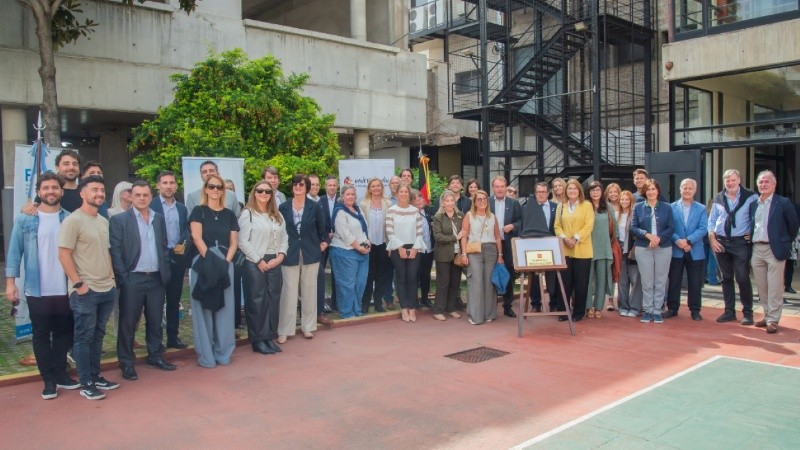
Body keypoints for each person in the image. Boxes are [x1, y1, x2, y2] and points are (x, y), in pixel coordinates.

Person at [6, 173, 79, 399]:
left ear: (62, 191)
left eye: (54, 187)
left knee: (63, 333)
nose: (50, 191)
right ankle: (48, 380)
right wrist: (10, 283)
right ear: (39, 192)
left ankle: (60, 374)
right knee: (41, 334)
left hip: (64, 288)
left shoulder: (70, 219)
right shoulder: (25, 219)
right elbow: (14, 252)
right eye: (46, 188)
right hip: (37, 289)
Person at [57, 175, 119, 400]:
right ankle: (86, 382)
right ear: (82, 194)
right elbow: (64, 254)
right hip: (85, 291)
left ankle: (95, 375)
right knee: (83, 337)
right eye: (94, 190)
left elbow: (106, 252)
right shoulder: (73, 221)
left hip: (106, 288)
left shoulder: (103, 221)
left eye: (102, 190)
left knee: (98, 335)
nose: (99, 194)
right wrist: (78, 284)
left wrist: (112, 279)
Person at [110, 180, 177, 381]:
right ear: (131, 197)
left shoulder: (158, 219)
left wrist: (165, 271)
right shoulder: (120, 220)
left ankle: (155, 356)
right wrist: (124, 278)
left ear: (150, 197)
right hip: (133, 279)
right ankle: (126, 363)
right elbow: (115, 252)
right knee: (128, 323)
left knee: (155, 321)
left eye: (145, 195)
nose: (141, 198)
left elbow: (163, 246)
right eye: (137, 195)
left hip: (156, 279)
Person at [188, 174, 239, 368]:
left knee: (225, 309)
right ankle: (206, 356)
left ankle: (223, 353)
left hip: (225, 263)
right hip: (203, 263)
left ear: (223, 190)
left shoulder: (229, 214)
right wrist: (211, 261)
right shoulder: (198, 211)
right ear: (206, 189)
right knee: (203, 310)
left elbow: (234, 242)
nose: (215, 190)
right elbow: (196, 238)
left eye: (219, 187)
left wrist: (225, 262)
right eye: (212, 186)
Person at [238, 180, 288, 355]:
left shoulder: (277, 215)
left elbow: (285, 238)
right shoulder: (247, 214)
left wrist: (280, 257)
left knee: (273, 300)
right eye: (260, 191)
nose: (264, 194)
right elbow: (242, 241)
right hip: (254, 261)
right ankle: (258, 340)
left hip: (274, 261)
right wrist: (258, 260)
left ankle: (269, 337)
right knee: (257, 301)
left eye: (267, 191)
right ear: (254, 193)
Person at [278, 174, 327, 341]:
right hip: (289, 253)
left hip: (310, 253)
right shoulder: (283, 207)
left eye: (301, 185)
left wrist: (322, 243)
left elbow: (322, 229)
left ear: (306, 188)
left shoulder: (315, 207)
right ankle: (285, 330)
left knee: (309, 291)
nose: (298, 187)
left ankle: (308, 326)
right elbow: (279, 230)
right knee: (288, 292)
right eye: (295, 184)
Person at [749, 170, 799, 334]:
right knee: (762, 287)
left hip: (774, 249)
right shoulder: (754, 204)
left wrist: (784, 242)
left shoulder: (783, 203)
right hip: (757, 249)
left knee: (775, 286)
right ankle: (766, 315)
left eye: (767, 181)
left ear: (774, 184)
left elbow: (793, 225)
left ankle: (773, 319)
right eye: (761, 182)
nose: (763, 184)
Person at [708, 169, 757, 325]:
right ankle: (729, 311)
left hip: (740, 243)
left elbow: (757, 217)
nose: (730, 183)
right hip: (721, 242)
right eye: (727, 180)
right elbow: (711, 221)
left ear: (739, 180)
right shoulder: (718, 198)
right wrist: (712, 239)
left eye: (733, 180)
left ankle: (748, 313)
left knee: (742, 278)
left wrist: (753, 232)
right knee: (726, 278)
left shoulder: (751, 197)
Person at [149, 170, 189, 349]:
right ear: (158, 185)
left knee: (174, 301)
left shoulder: (182, 208)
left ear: (176, 185)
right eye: (164, 183)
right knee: (155, 303)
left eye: (172, 183)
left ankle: (173, 337)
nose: (168, 186)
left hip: (177, 259)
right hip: (157, 259)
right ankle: (155, 341)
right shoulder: (151, 205)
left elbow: (185, 231)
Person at [631, 179, 674, 324]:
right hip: (643, 248)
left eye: (653, 189)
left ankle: (657, 311)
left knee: (660, 281)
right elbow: (634, 227)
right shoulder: (638, 207)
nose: (651, 192)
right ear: (644, 192)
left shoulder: (667, 207)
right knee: (647, 281)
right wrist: (648, 235)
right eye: (648, 190)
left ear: (658, 190)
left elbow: (671, 227)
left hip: (663, 247)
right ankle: (648, 310)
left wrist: (659, 239)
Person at [665, 178, 708, 321]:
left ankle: (695, 310)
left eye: (690, 188)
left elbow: (703, 228)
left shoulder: (701, 208)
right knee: (674, 280)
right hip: (676, 249)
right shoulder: (671, 207)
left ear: (695, 190)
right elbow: (669, 227)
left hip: (694, 250)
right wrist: (678, 240)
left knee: (695, 282)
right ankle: (672, 308)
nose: (687, 190)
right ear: (680, 189)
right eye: (684, 187)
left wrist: (689, 241)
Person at [554, 179, 594, 322]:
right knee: (564, 283)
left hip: (582, 249)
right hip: (565, 249)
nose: (572, 191)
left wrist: (576, 238)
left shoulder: (587, 205)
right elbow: (557, 226)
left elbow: (589, 225)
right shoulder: (561, 206)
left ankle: (578, 312)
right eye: (569, 188)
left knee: (581, 283)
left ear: (579, 191)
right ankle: (563, 311)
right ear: (566, 191)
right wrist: (565, 238)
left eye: (575, 188)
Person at [460, 189, 503, 325]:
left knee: (489, 283)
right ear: (474, 202)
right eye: (479, 199)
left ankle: (489, 313)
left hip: (491, 250)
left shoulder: (492, 217)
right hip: (474, 251)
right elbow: (464, 236)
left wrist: (500, 255)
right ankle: (476, 316)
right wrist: (464, 253)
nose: (482, 201)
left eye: (485, 199)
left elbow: (497, 237)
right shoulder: (469, 216)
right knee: (476, 282)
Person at [330, 185, 370, 319]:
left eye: (353, 194)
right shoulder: (340, 211)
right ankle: (347, 313)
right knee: (347, 285)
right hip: (344, 252)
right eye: (348, 194)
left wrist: (367, 242)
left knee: (360, 284)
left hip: (362, 252)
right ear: (342, 196)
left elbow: (364, 228)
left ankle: (356, 311)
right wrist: (359, 247)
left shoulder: (358, 210)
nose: (351, 197)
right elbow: (345, 234)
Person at [386, 183, 425, 323]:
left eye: (406, 192)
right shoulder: (391, 211)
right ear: (397, 194)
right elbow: (390, 231)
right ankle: (404, 308)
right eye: (401, 192)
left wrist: (415, 248)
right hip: (398, 248)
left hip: (414, 247)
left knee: (412, 278)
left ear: (409, 194)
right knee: (401, 278)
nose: (403, 194)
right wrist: (400, 248)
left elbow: (420, 231)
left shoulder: (415, 211)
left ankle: (412, 308)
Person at [519, 182, 560, 313]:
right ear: (535, 193)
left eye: (543, 192)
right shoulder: (526, 208)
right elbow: (523, 225)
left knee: (552, 276)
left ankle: (554, 303)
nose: (541, 194)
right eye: (538, 192)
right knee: (534, 277)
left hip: (551, 247)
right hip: (533, 246)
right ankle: (536, 304)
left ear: (548, 193)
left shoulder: (556, 207)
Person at [489, 176, 522, 318]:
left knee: (508, 274)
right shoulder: (487, 202)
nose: (499, 189)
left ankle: (507, 306)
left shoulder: (514, 203)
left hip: (507, 244)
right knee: (489, 273)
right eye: (497, 186)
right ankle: (490, 306)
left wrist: (513, 225)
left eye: (502, 186)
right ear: (493, 188)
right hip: (490, 244)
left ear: (506, 187)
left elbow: (521, 220)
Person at [431, 190, 465, 321]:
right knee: (443, 282)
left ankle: (450, 308)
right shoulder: (438, 217)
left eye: (452, 200)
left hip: (457, 254)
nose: (450, 203)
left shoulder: (460, 215)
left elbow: (465, 232)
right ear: (443, 203)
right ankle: (438, 310)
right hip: (443, 254)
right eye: (447, 201)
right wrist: (455, 237)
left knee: (455, 282)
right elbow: (438, 237)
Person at [360, 177, 391, 313]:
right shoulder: (363, 204)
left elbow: (390, 225)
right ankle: (365, 304)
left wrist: (390, 245)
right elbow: (361, 225)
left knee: (381, 277)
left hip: (383, 244)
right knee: (368, 276)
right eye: (373, 186)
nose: (376, 188)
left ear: (382, 188)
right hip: (369, 245)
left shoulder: (388, 203)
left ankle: (378, 304)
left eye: (378, 185)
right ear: (369, 189)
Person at [586, 181, 616, 319]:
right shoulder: (585, 205)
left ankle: (598, 307)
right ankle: (588, 306)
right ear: (588, 192)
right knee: (587, 279)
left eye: (597, 190)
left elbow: (614, 226)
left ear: (601, 191)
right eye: (592, 190)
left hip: (604, 248)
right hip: (587, 247)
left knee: (601, 279)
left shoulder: (608, 206)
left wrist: (616, 243)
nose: (595, 192)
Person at [316, 175, 338, 323]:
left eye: (334, 185)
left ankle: (336, 303)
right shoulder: (320, 201)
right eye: (329, 185)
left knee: (337, 273)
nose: (332, 187)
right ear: (325, 186)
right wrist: (326, 237)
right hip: (323, 242)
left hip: (338, 241)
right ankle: (321, 304)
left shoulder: (341, 200)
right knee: (320, 273)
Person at [616, 190, 641, 318]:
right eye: (622, 199)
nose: (624, 201)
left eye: (627, 199)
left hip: (632, 249)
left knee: (635, 279)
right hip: (620, 249)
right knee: (622, 280)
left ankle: (635, 307)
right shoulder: (616, 215)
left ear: (631, 201)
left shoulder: (636, 215)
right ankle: (623, 307)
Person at [414, 190, 435, 308]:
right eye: (416, 199)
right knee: (415, 275)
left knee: (426, 275)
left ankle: (425, 298)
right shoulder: (410, 213)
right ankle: (414, 299)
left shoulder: (428, 211)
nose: (419, 200)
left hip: (428, 249)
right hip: (416, 250)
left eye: (421, 198)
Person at [604, 182, 622, 311]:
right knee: (611, 271)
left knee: (621, 272)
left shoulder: (624, 205)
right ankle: (610, 299)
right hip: (610, 242)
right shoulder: (605, 207)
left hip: (623, 243)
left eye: (616, 191)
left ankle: (622, 299)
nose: (613, 194)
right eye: (611, 192)